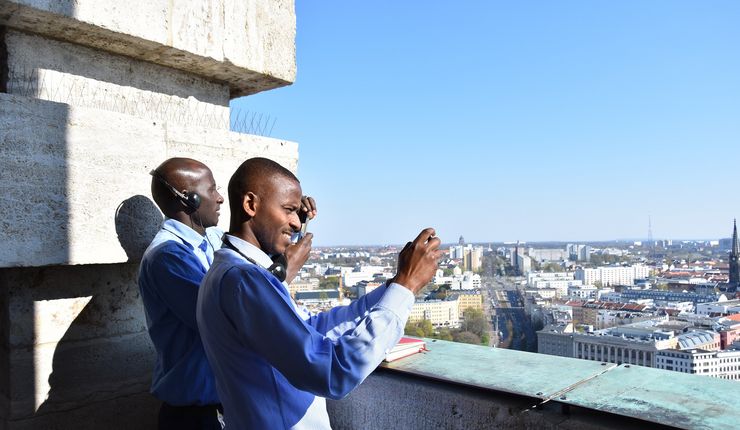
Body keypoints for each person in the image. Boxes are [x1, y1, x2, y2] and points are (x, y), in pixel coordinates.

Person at [196, 157, 441, 429]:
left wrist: (395, 285)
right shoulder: (244, 281)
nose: (297, 224)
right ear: (251, 205)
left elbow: (312, 328)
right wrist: (405, 288)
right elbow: (333, 372)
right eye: (288, 209)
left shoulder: (234, 271)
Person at [138, 157, 225, 429]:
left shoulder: (212, 239)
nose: (220, 198)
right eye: (212, 190)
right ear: (189, 199)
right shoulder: (168, 256)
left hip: (222, 407)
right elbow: (220, 319)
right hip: (194, 417)